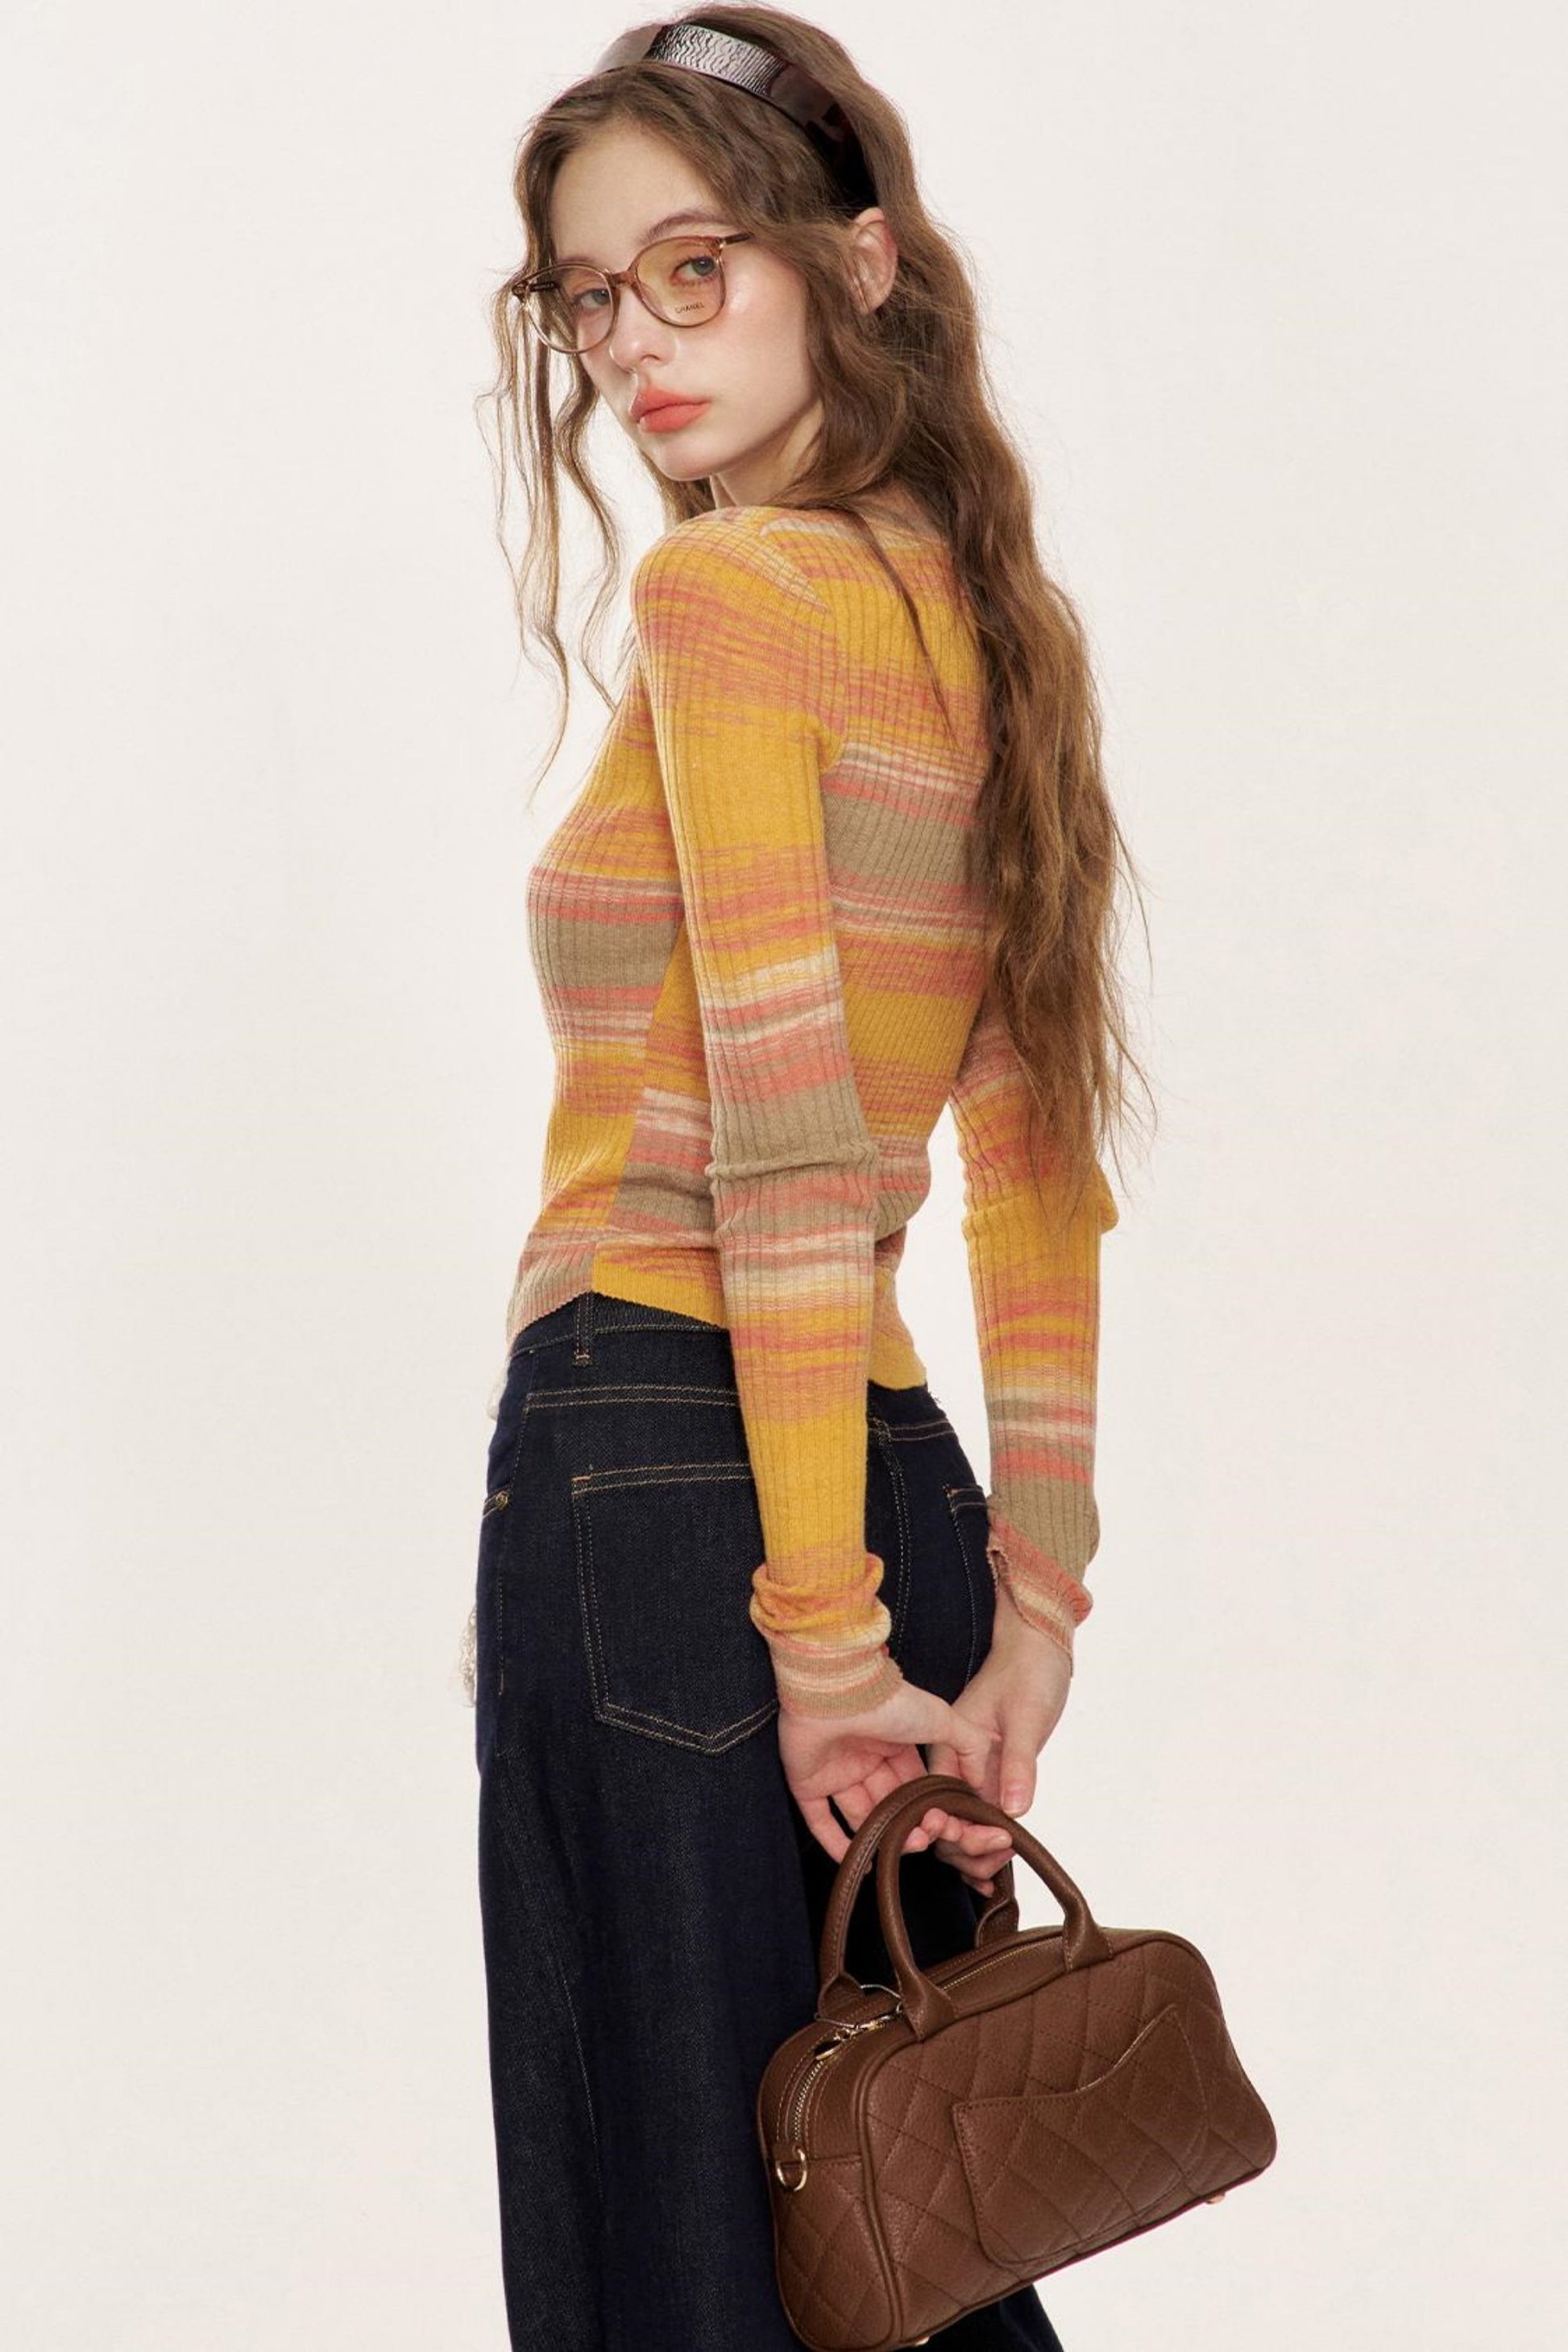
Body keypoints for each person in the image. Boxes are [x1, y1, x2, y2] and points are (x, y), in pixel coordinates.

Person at [459, 10, 1151, 2347]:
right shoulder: (984, 617)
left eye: (693, 269)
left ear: (855, 264)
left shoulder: (729, 596)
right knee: (899, 2249)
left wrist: (824, 1643)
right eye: (588, 296)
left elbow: (776, 1135)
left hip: (678, 1492)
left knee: (684, 2247)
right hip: (884, 1484)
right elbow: (1032, 1163)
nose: (629, 344)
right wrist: (1024, 1604)